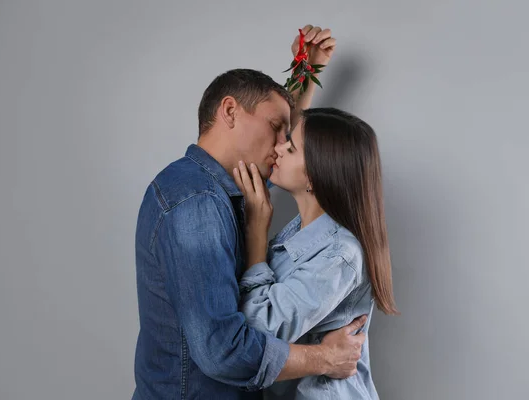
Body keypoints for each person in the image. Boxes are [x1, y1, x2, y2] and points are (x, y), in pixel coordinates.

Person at [132, 25, 368, 400]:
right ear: (229, 111)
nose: (280, 146)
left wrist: (305, 70)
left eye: (286, 138)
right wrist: (325, 358)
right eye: (276, 129)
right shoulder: (197, 203)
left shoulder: (225, 190)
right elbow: (223, 351)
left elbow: (297, 159)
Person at [234, 107, 399, 399]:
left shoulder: (339, 255)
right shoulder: (302, 227)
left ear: (315, 176)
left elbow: (258, 330)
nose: (279, 148)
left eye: (291, 147)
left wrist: (256, 234)